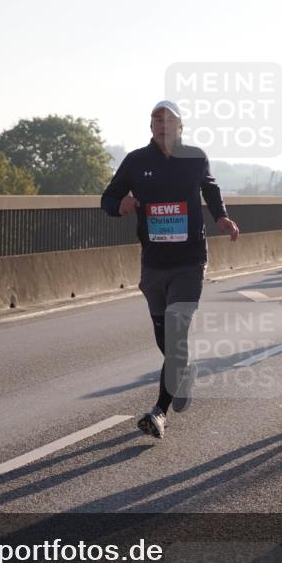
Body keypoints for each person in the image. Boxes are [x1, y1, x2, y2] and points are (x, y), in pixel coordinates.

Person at [101, 101, 239, 438]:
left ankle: (159, 411)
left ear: (181, 127)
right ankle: (183, 370)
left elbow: (210, 188)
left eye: (169, 120)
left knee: (176, 334)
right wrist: (121, 205)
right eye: (157, 120)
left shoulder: (194, 157)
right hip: (153, 263)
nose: (163, 125)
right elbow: (107, 199)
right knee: (165, 337)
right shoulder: (136, 161)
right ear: (151, 127)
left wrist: (221, 216)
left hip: (190, 261)